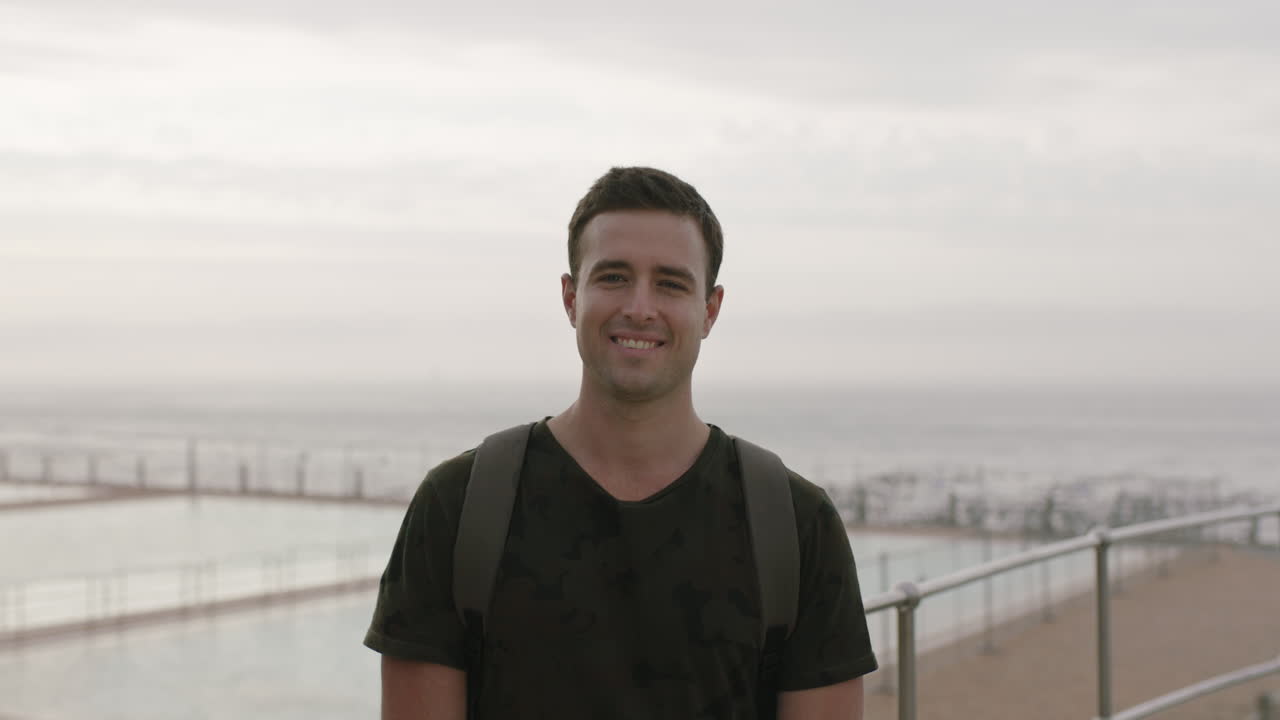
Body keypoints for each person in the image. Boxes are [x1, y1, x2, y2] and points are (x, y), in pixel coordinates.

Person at [364, 166, 878, 719]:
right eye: (612, 277)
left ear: (710, 309)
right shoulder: (458, 507)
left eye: (671, 283)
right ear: (569, 297)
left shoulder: (798, 526)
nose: (639, 306)